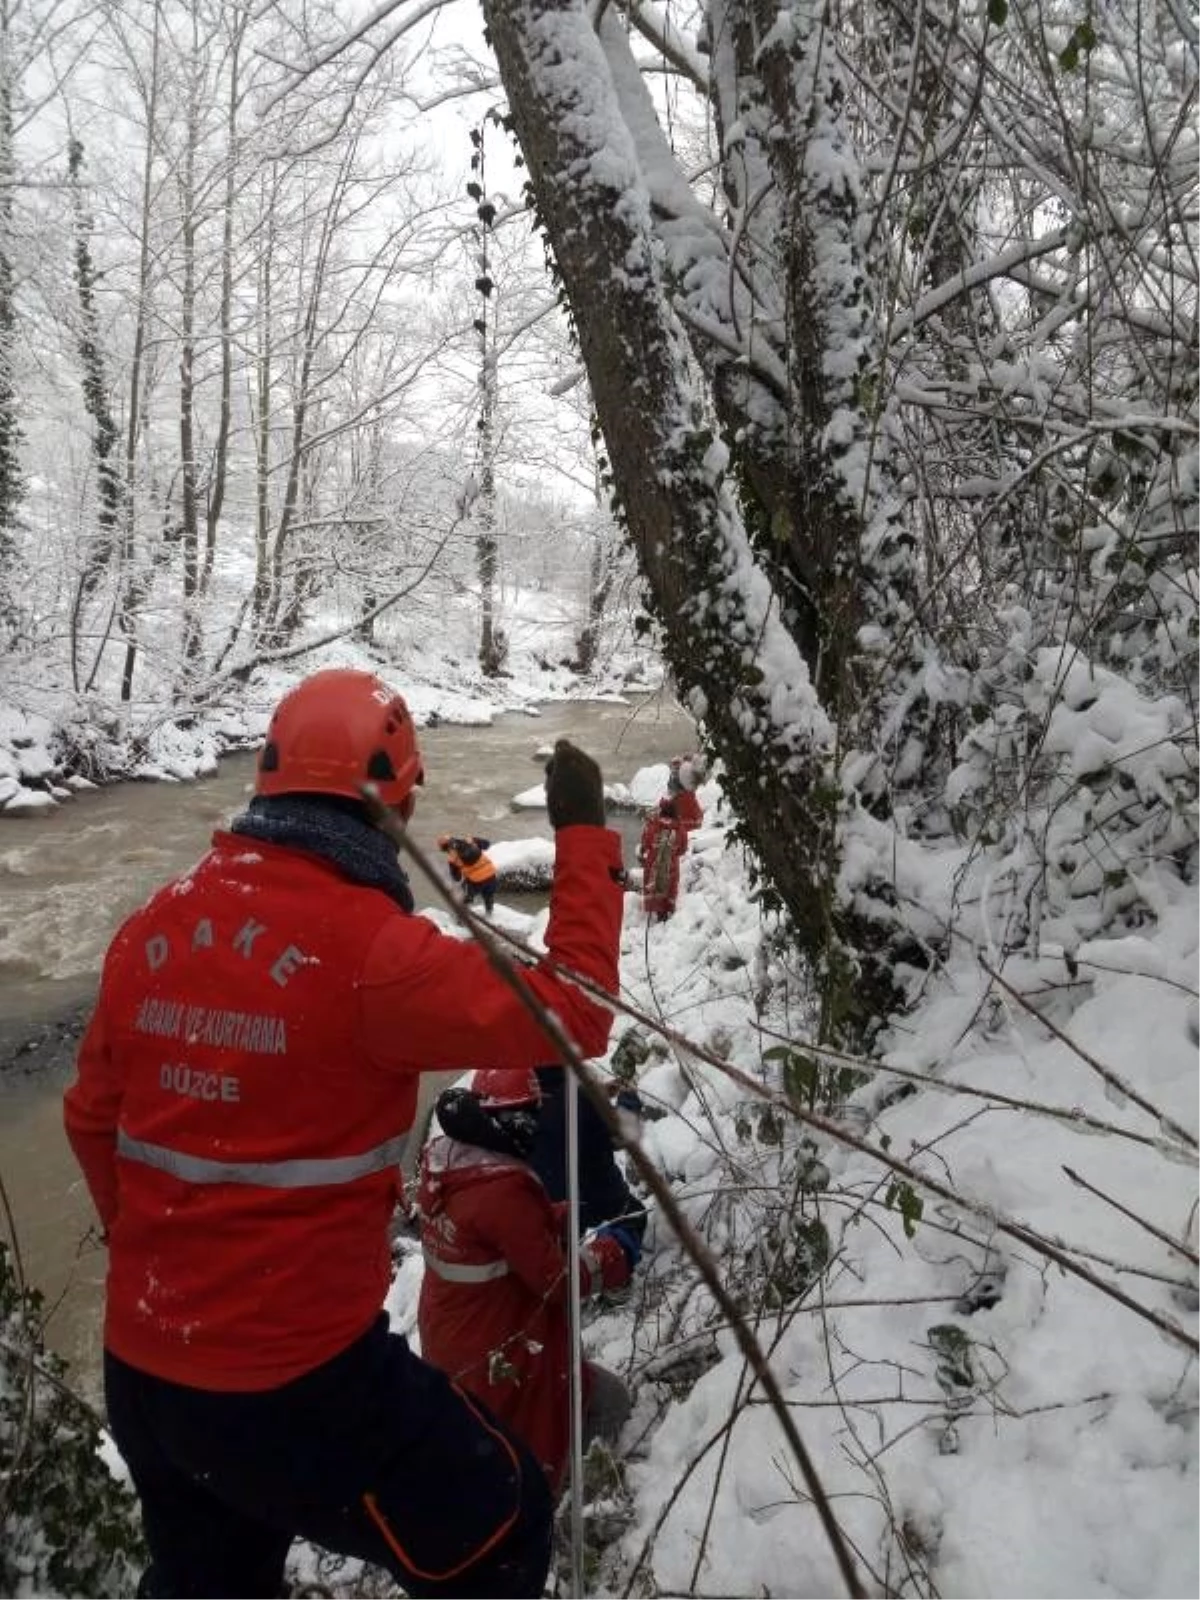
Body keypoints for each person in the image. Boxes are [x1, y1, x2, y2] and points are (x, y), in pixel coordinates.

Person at [62, 666, 625, 1600]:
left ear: (265, 784)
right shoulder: (376, 954)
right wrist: (582, 835)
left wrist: (170, 1260)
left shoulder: (150, 925)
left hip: (144, 1370)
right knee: (502, 1523)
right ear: (396, 802)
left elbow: (91, 1122)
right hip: (295, 1384)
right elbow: (575, 1014)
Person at [417, 1069, 639, 1494]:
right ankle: (557, 1499)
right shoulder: (502, 1191)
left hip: (455, 1345)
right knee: (587, 1417)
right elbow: (557, 1281)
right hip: (500, 1359)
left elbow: (491, 1239)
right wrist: (612, 1256)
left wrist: (551, 1216)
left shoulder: (448, 1163)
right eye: (532, 1116)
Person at [528, 1065, 647, 1245]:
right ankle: (610, 1256)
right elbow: (623, 1135)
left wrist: (597, 1094)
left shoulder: (524, 1101)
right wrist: (629, 1100)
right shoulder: (579, 1101)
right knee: (635, 1217)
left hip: (546, 1206)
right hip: (595, 1201)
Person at [639, 797, 689, 920]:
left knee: (654, 884)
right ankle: (666, 912)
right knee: (670, 886)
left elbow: (645, 843)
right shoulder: (680, 829)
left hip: (653, 866)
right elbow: (682, 849)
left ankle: (656, 910)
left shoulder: (653, 825)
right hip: (670, 867)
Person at [437, 834, 498, 916]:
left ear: (444, 849)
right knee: (488, 896)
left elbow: (457, 878)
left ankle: (461, 920)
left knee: (462, 897)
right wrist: (475, 841)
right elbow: (487, 844)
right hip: (491, 875)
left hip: (476, 881)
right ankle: (489, 913)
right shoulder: (469, 841)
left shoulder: (452, 858)